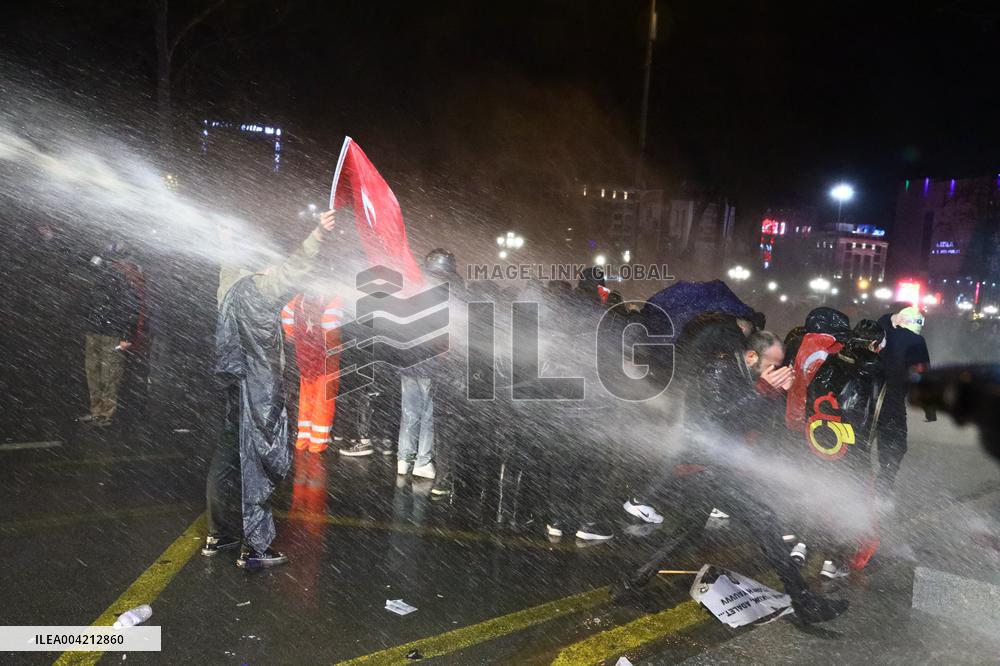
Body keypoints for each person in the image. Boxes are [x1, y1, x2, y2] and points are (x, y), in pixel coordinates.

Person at [617, 313, 848, 624]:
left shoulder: (747, 376)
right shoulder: (719, 370)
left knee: (688, 531)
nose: (774, 371)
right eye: (771, 364)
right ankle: (803, 600)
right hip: (699, 466)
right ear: (751, 356)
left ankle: (631, 582)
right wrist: (764, 390)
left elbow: (749, 420)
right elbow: (718, 417)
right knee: (763, 517)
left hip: (711, 466)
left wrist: (774, 393)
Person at [202, 210, 336, 569]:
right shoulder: (262, 290)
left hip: (232, 382)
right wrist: (319, 235)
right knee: (258, 462)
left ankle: (218, 535)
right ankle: (255, 547)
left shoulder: (228, 282)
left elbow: (233, 260)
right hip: (257, 389)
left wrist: (228, 238)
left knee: (227, 455)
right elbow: (296, 268)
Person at [81, 241, 140, 426]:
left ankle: (106, 413)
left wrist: (125, 336)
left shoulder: (118, 279)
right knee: (94, 373)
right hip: (95, 331)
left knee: (109, 374)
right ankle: (97, 411)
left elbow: (129, 308)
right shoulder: (95, 281)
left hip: (111, 333)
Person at [875, 305, 933, 495]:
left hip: (870, 395)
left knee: (865, 439)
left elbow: (883, 319)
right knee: (897, 445)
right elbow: (922, 376)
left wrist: (892, 317)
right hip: (892, 400)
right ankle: (885, 482)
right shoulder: (916, 341)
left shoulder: (882, 331)